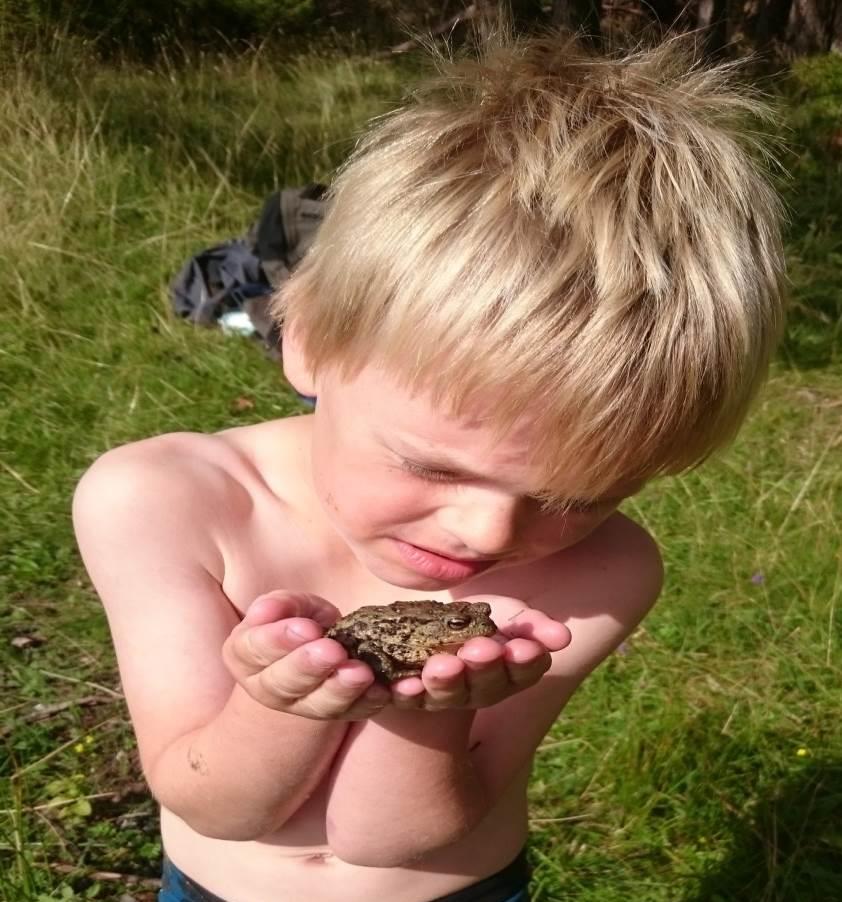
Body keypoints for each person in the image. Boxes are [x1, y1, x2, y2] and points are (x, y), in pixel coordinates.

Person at [72, 29, 786, 902]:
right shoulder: (160, 501)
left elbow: (391, 841)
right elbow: (216, 806)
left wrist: (432, 715)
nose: (492, 532)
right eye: (435, 467)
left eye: (578, 496)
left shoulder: (603, 570)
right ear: (304, 340)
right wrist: (281, 700)